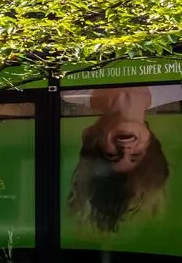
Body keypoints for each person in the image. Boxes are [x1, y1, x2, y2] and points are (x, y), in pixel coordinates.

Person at [67, 85, 174, 232]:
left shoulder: (70, 89)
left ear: (94, 139)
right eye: (136, 155)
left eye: (112, 155)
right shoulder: (181, 87)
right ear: (151, 143)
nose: (125, 149)